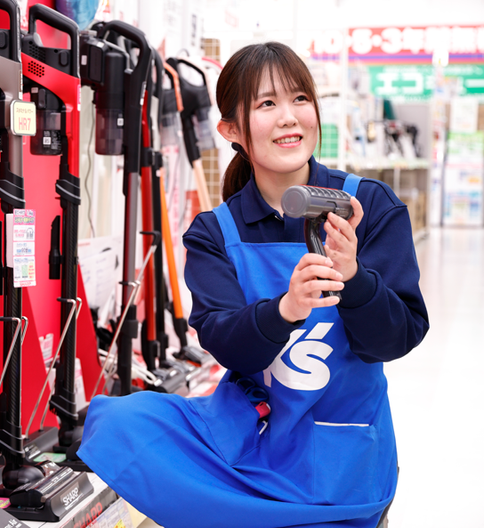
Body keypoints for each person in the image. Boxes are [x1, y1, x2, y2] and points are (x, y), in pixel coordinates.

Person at [78, 41, 429, 528]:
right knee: (117, 422)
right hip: (250, 446)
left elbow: (396, 339)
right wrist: (285, 310)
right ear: (231, 130)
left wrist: (354, 279)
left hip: (341, 465)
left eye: (300, 99)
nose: (289, 117)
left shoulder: (367, 206)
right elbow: (228, 347)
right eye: (267, 103)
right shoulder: (214, 233)